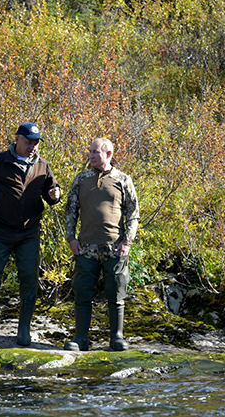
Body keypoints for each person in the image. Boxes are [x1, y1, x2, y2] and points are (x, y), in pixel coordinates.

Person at [0, 122, 61, 346]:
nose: (32, 146)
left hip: (29, 233)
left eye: (35, 143)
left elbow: (51, 194)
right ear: (17, 139)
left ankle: (24, 330)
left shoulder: (43, 165)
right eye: (28, 142)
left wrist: (55, 194)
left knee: (29, 279)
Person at [64, 137, 139, 352]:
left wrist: (127, 242)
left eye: (96, 152)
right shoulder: (81, 179)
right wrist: (71, 239)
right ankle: (80, 339)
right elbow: (71, 210)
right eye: (90, 151)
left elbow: (133, 214)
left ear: (109, 154)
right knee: (82, 293)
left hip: (115, 248)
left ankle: (117, 338)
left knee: (116, 294)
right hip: (86, 249)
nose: (91, 155)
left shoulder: (123, 179)